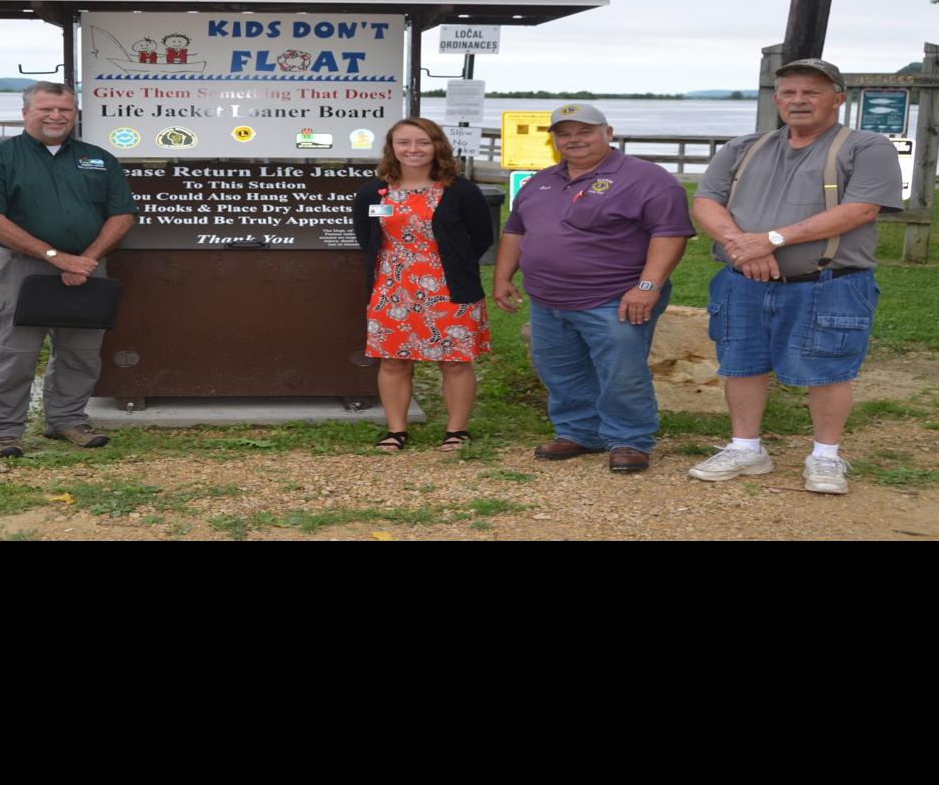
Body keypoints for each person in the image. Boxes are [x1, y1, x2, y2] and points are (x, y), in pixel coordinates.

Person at [687, 58, 905, 494]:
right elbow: (706, 202)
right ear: (777, 99)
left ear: (838, 100)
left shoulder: (867, 147)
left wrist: (771, 239)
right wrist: (742, 246)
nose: (798, 100)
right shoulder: (743, 147)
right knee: (742, 364)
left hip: (830, 284)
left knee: (829, 370)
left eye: (812, 92)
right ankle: (746, 448)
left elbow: (861, 209)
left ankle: (826, 457)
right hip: (742, 280)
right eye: (788, 92)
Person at [493, 103, 694, 473]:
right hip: (547, 297)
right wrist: (503, 276)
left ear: (608, 133)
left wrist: (648, 286)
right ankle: (579, 431)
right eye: (564, 134)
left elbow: (670, 234)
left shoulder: (648, 178)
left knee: (622, 372)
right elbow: (516, 230)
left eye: (584, 131)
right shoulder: (542, 180)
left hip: (614, 297)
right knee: (560, 368)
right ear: (555, 140)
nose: (574, 140)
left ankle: (630, 439)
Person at [0, 81, 137, 458]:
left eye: (65, 110)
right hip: (22, 268)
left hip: (87, 267)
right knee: (13, 352)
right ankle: (3, 429)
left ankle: (67, 419)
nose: (56, 116)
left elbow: (122, 214)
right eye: (46, 109)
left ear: (75, 114)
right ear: (26, 111)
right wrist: (54, 257)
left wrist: (87, 258)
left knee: (81, 350)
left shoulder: (99, 159)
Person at [353, 117, 494, 453]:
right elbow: (365, 237)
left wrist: (446, 266)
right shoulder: (373, 191)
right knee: (393, 360)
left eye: (423, 142)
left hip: (450, 288)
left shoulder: (461, 190)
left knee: (456, 361)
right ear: (392, 148)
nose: (413, 149)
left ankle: (456, 431)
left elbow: (482, 237)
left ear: (437, 147)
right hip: (392, 290)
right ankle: (396, 431)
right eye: (404, 142)